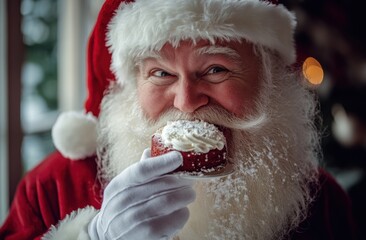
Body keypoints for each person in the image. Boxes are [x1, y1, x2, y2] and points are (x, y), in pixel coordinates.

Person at [0, 0, 358, 239]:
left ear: (269, 81)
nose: (187, 103)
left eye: (216, 69)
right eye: (160, 74)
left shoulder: (321, 201)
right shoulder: (51, 189)